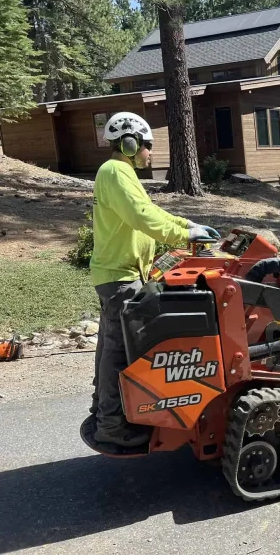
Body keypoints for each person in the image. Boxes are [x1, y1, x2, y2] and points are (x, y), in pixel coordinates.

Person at [90, 112, 220, 447]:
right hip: (121, 277)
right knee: (120, 353)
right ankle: (113, 427)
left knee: (110, 347)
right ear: (129, 143)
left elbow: (152, 212)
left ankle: (106, 414)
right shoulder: (116, 170)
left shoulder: (122, 174)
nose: (150, 152)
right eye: (147, 146)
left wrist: (186, 225)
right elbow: (141, 217)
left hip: (120, 274)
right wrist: (183, 233)